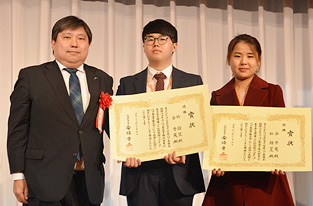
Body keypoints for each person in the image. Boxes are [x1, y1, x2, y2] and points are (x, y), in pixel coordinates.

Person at [7, 15, 113, 206]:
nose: (74, 43)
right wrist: (18, 175)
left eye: (81, 38)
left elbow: (113, 125)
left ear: (88, 45)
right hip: (43, 179)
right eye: (67, 37)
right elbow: (17, 129)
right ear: (53, 43)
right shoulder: (32, 77)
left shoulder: (103, 79)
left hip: (89, 180)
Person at [117, 19, 205, 206]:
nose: (155, 43)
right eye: (150, 39)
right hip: (140, 173)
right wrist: (125, 151)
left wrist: (186, 151)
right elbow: (120, 126)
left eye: (162, 38)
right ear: (143, 47)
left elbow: (200, 125)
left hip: (179, 172)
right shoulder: (127, 84)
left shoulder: (192, 82)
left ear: (174, 46)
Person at [202, 34, 294, 206]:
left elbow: (282, 132)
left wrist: (280, 159)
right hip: (228, 182)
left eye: (250, 56)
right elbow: (214, 138)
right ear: (228, 60)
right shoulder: (218, 96)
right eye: (237, 56)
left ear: (258, 61)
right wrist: (215, 161)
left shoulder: (273, 91)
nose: (243, 62)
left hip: (265, 182)